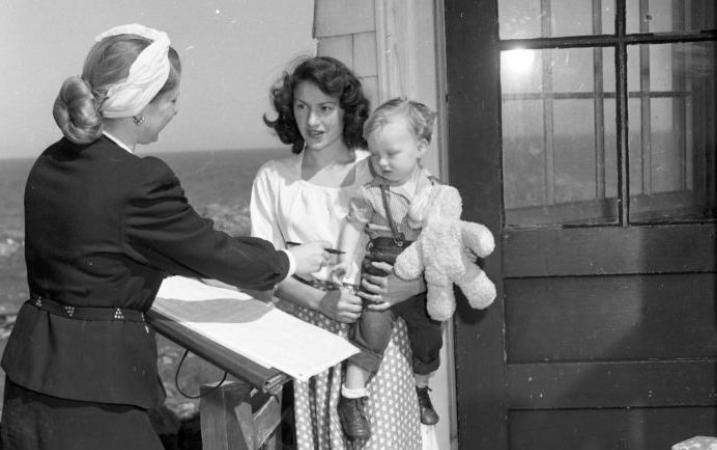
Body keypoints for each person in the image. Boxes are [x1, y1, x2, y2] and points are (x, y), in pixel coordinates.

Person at [0, 24, 330, 450]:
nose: (175, 110)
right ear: (140, 108)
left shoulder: (50, 161)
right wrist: (290, 260)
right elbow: (216, 251)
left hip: (30, 382)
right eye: (171, 99)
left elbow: (98, 254)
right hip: (96, 396)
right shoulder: (139, 180)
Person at [251, 56, 427, 449]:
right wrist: (321, 300)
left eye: (325, 108)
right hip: (310, 334)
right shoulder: (274, 178)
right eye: (301, 107)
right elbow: (266, 272)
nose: (312, 121)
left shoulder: (378, 167)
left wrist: (401, 291)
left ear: (346, 110)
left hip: (378, 331)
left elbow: (430, 245)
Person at [331, 98, 443, 440]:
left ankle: (421, 386)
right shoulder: (370, 193)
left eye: (391, 154)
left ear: (420, 147)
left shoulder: (435, 192)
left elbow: (443, 239)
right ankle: (351, 398)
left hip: (418, 280)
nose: (381, 163)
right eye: (375, 154)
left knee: (428, 338)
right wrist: (342, 258)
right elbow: (353, 225)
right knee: (371, 333)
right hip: (379, 274)